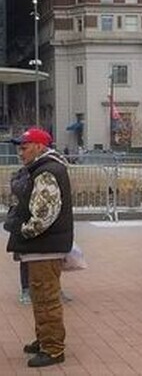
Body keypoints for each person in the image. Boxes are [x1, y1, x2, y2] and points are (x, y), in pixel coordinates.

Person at [4, 127, 73, 367]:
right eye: (19, 147)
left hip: (44, 246)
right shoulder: (43, 169)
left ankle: (53, 348)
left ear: (39, 147)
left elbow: (44, 214)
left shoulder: (46, 172)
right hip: (43, 246)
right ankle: (44, 338)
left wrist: (23, 231)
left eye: (24, 147)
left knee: (45, 297)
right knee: (40, 294)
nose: (20, 152)